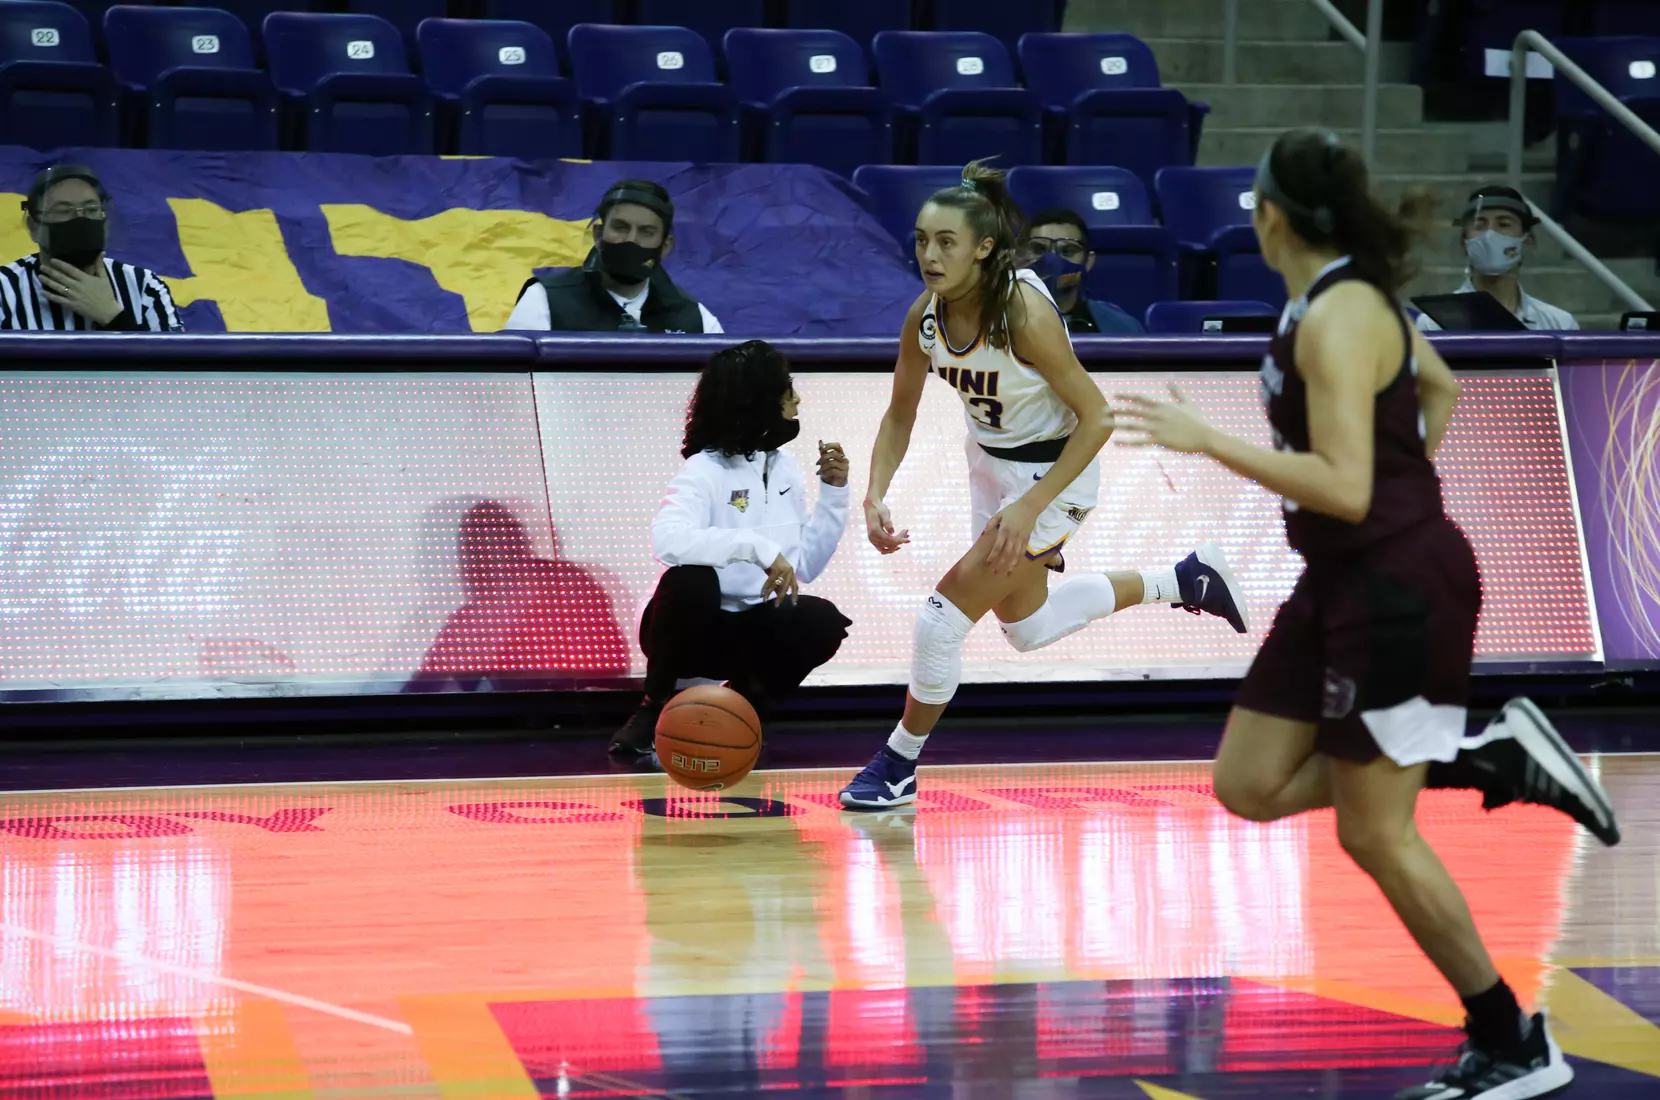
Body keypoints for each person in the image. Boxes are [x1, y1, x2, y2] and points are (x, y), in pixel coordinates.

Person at [1115, 129, 1620, 1100]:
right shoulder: (1341, 296)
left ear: (1271, 213)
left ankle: (1509, 1037)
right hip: (1342, 578)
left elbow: (1345, 486)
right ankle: (1482, 755)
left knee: (1372, 831)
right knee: (1248, 781)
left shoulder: (1339, 313)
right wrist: (1403, 484)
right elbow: (1439, 384)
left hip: (1389, 584)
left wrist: (1208, 439)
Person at [836, 161, 1249, 812]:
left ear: (984, 248)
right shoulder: (924, 318)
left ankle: (898, 766)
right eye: (921, 239)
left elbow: (1097, 416)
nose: (929, 254)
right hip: (993, 464)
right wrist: (874, 494)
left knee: (940, 622)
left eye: (946, 241)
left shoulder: (1022, 313)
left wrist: (1031, 507)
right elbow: (899, 414)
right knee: (1027, 628)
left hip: (1057, 471)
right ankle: (1187, 579)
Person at [611, 339, 851, 764]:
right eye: (786, 389)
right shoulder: (704, 469)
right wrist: (752, 547)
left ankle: (732, 711)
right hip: (688, 629)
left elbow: (805, 567)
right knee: (690, 579)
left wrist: (834, 494)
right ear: (758, 398)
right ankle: (652, 709)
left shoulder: (785, 467)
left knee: (822, 619)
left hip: (751, 628)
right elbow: (667, 541)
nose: (796, 398)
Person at [505, 179, 723, 335]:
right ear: (598, 235)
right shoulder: (544, 301)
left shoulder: (695, 319)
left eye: (646, 232)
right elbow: (512, 388)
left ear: (665, 246)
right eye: (620, 227)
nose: (631, 240)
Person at [0, 164, 183, 332]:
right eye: (63, 211)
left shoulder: (144, 286)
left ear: (105, 223)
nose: (80, 219)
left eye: (91, 209)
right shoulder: (4, 289)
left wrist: (112, 316)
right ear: (34, 227)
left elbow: (175, 365)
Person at [1416, 185, 1578, 332]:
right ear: (1464, 242)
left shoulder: (1559, 325)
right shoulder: (1433, 324)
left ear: (1527, 241)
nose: (1490, 235)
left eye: (1504, 224)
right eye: (1480, 225)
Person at [1021, 207, 1143, 334]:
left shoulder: (1122, 329)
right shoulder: (1000, 324)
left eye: (1068, 251)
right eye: (1039, 249)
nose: (1052, 260)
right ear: (1022, 257)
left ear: (1088, 261)